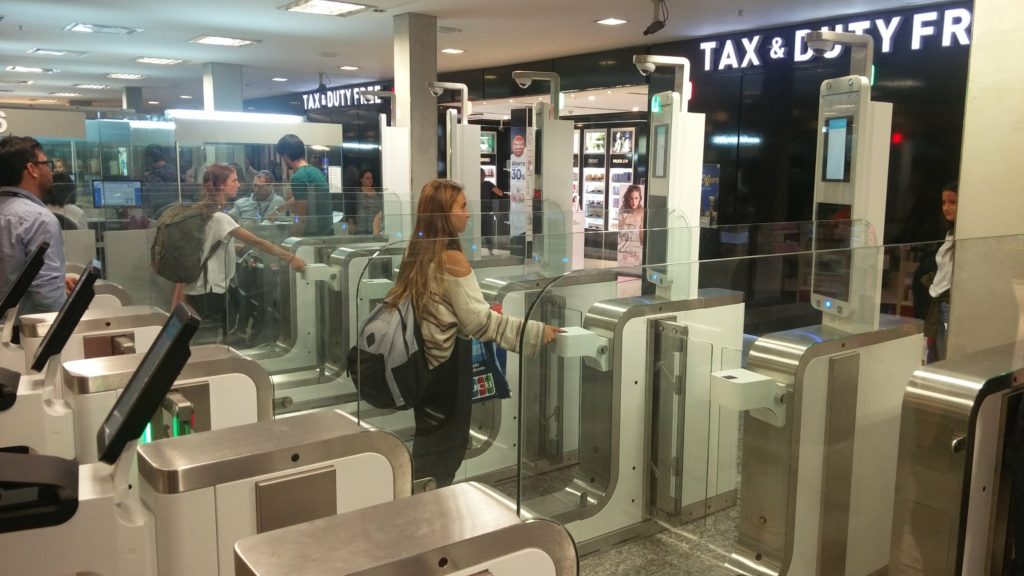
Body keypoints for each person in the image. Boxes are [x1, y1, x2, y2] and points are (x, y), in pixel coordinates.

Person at [383, 179, 562, 487]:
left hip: (423, 364)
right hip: (447, 369)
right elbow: (477, 323)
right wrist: (536, 332)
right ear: (443, 213)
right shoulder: (451, 257)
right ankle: (428, 516)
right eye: (462, 207)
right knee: (445, 453)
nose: (468, 214)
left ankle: (415, 505)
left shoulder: (418, 251)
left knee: (429, 442)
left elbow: (442, 307)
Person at [171, 164, 307, 338]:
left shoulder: (202, 210)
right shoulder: (220, 217)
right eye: (234, 180)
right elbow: (258, 242)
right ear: (221, 185)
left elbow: (207, 245)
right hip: (210, 290)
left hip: (197, 288)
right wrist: (290, 257)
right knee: (211, 341)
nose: (239, 184)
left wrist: (236, 247)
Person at [0, 135, 74, 318]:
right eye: (46, 164)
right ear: (32, 169)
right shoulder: (39, 219)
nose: (51, 171)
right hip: (21, 335)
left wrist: (58, 280)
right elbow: (47, 299)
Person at [276, 134, 332, 236]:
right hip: (326, 232)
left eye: (281, 156)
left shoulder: (298, 177)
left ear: (286, 154)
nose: (283, 160)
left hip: (313, 234)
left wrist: (291, 241)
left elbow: (301, 216)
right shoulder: (316, 171)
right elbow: (301, 197)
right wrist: (278, 210)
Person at [925, 182, 957, 363]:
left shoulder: (962, 235)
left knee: (944, 359)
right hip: (939, 302)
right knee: (936, 355)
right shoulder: (949, 233)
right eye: (944, 202)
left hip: (948, 303)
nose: (946, 207)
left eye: (952, 202)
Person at [617, 184, 645, 267]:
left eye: (636, 198)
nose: (634, 202)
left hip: (636, 247)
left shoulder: (642, 212)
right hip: (623, 247)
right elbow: (618, 230)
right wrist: (624, 222)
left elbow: (642, 232)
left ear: (640, 198)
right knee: (624, 270)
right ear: (628, 198)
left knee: (634, 269)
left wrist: (644, 248)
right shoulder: (622, 211)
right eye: (631, 198)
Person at [479, 168, 504, 254]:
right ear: (484, 176)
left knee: (476, 232)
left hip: (476, 212)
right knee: (488, 232)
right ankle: (490, 251)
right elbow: (500, 193)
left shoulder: (473, 184)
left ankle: (474, 250)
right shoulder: (488, 184)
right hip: (487, 212)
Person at [352, 169, 383, 235]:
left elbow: (381, 209)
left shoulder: (378, 192)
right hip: (361, 227)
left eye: (371, 178)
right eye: (367, 178)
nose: (370, 180)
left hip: (376, 228)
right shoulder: (357, 193)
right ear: (361, 179)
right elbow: (351, 210)